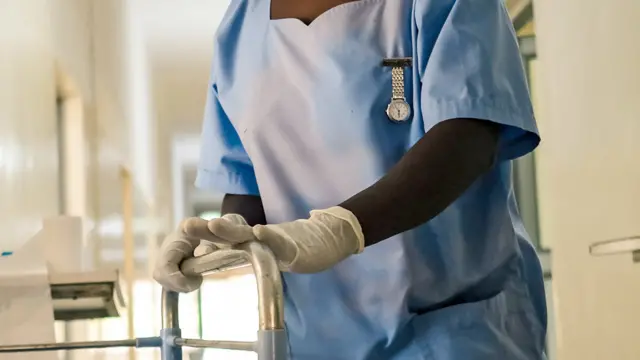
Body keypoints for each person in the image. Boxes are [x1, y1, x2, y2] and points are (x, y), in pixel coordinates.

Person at [153, 0, 548, 358]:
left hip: (451, 329)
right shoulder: (239, 28)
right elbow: (246, 182)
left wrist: (342, 229)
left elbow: (470, 131)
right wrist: (221, 240)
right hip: (315, 339)